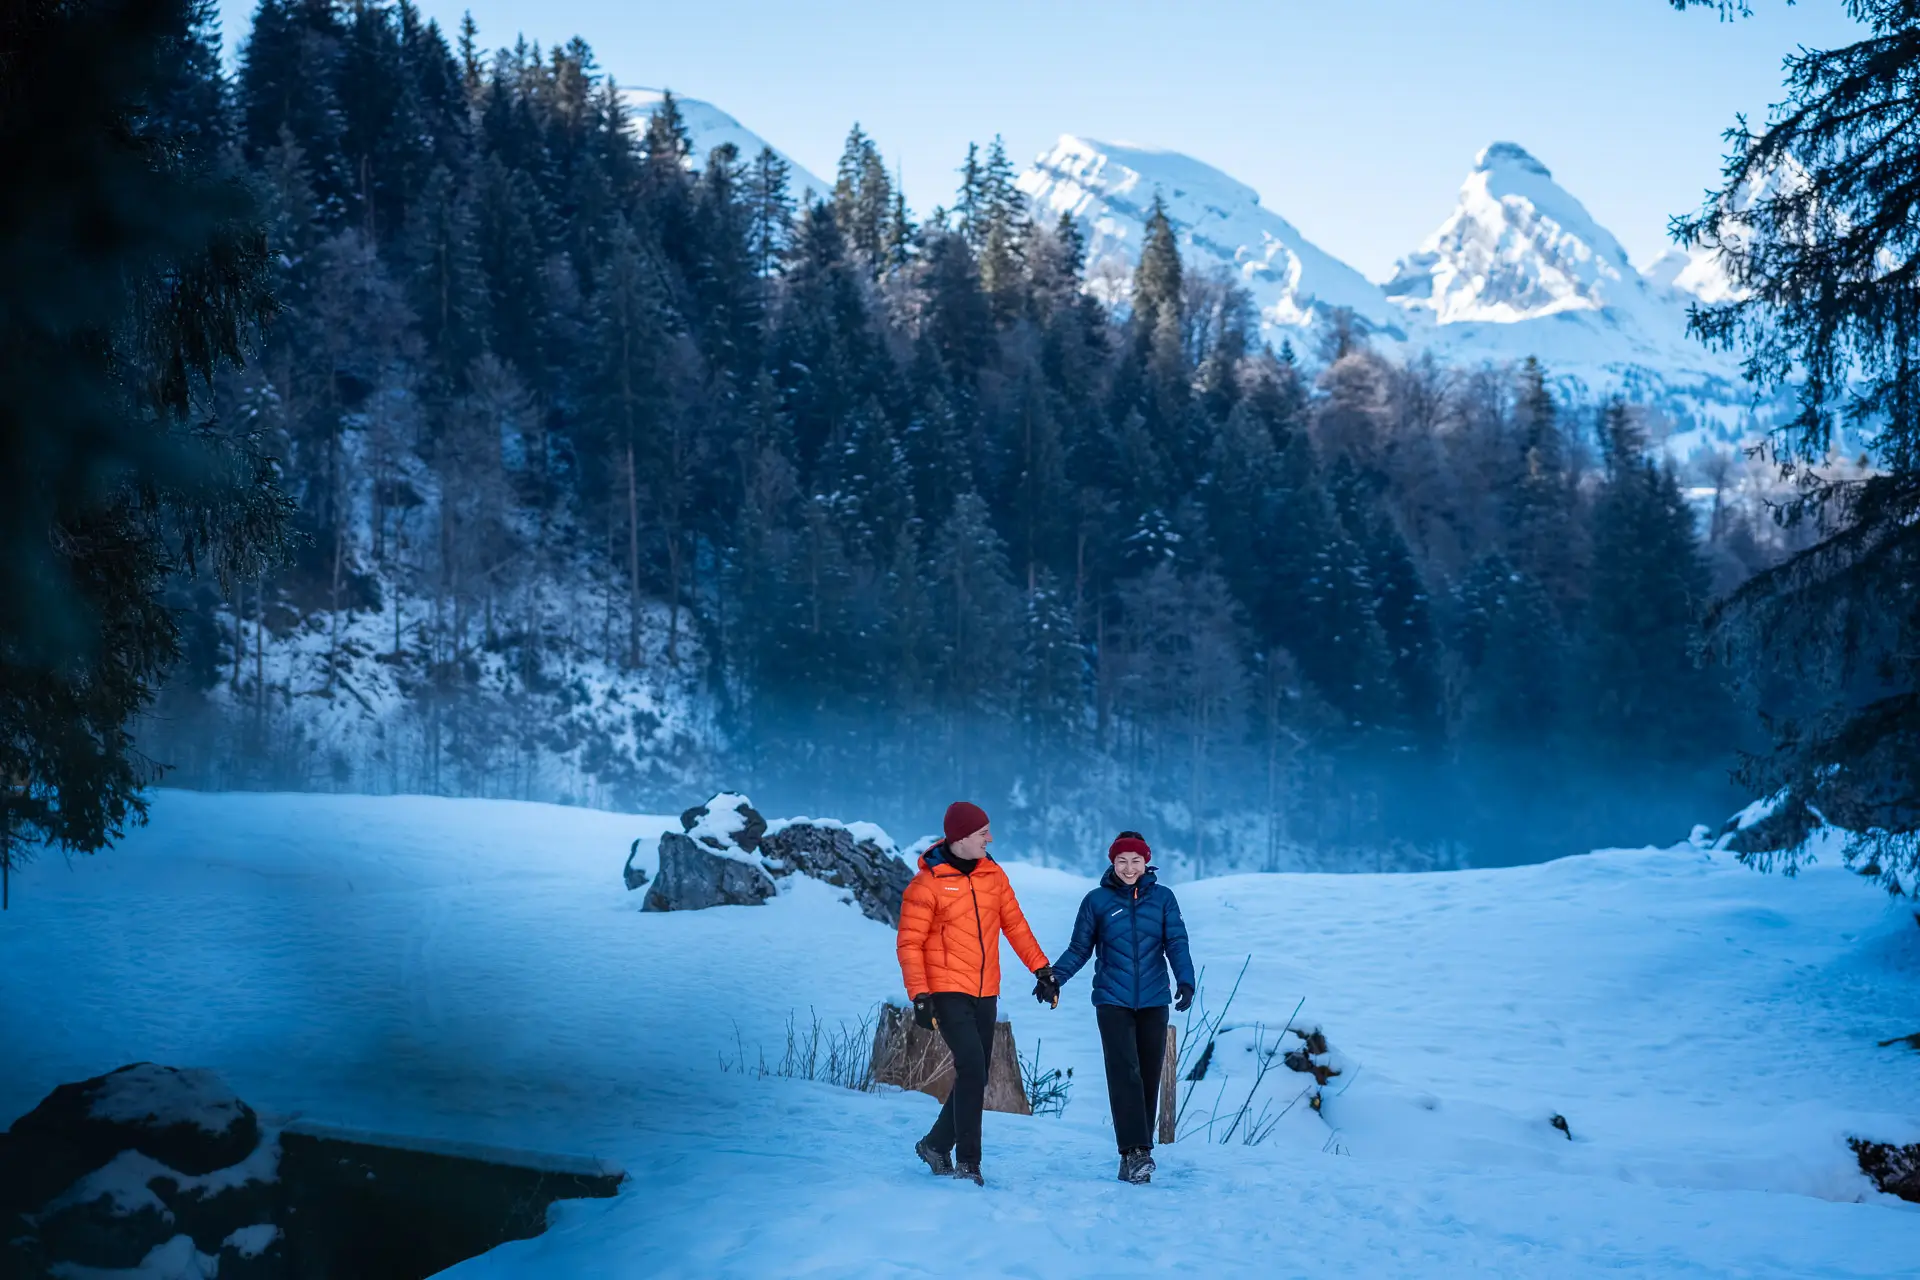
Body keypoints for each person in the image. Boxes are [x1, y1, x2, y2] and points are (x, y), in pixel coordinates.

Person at [895, 801, 1056, 1186]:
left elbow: (1015, 925)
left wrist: (1042, 968)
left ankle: (935, 1143)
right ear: (961, 838)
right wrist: (920, 995)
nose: (990, 838)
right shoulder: (928, 884)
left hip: (986, 991)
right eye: (983, 832)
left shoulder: (993, 875)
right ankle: (968, 1163)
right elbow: (909, 944)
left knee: (977, 1074)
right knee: (971, 1065)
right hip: (946, 990)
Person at [1047, 830, 1195, 1184]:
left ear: (1147, 862)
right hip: (1112, 1000)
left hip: (1155, 1000)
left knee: (1147, 1075)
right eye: (1122, 861)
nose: (1129, 868)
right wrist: (1055, 977)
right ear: (1112, 863)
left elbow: (1176, 941)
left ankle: (1135, 1156)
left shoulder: (1164, 899)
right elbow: (1080, 948)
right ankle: (1136, 1151)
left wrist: (1186, 981)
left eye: (1136, 861)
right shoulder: (1096, 901)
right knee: (1124, 1072)